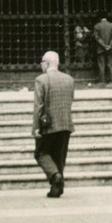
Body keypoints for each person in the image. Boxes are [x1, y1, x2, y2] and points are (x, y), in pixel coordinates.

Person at [32, 50, 74, 198]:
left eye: (42, 62)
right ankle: (57, 187)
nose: (40, 65)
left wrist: (36, 128)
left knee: (41, 153)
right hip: (66, 124)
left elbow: (39, 106)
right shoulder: (69, 79)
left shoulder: (41, 80)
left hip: (48, 125)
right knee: (59, 156)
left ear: (48, 63)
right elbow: (70, 100)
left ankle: (55, 176)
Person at [92, 17, 112, 84]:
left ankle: (102, 81)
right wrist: (109, 46)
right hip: (111, 48)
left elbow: (97, 38)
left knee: (101, 65)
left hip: (100, 49)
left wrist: (104, 45)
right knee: (111, 65)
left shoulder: (96, 26)